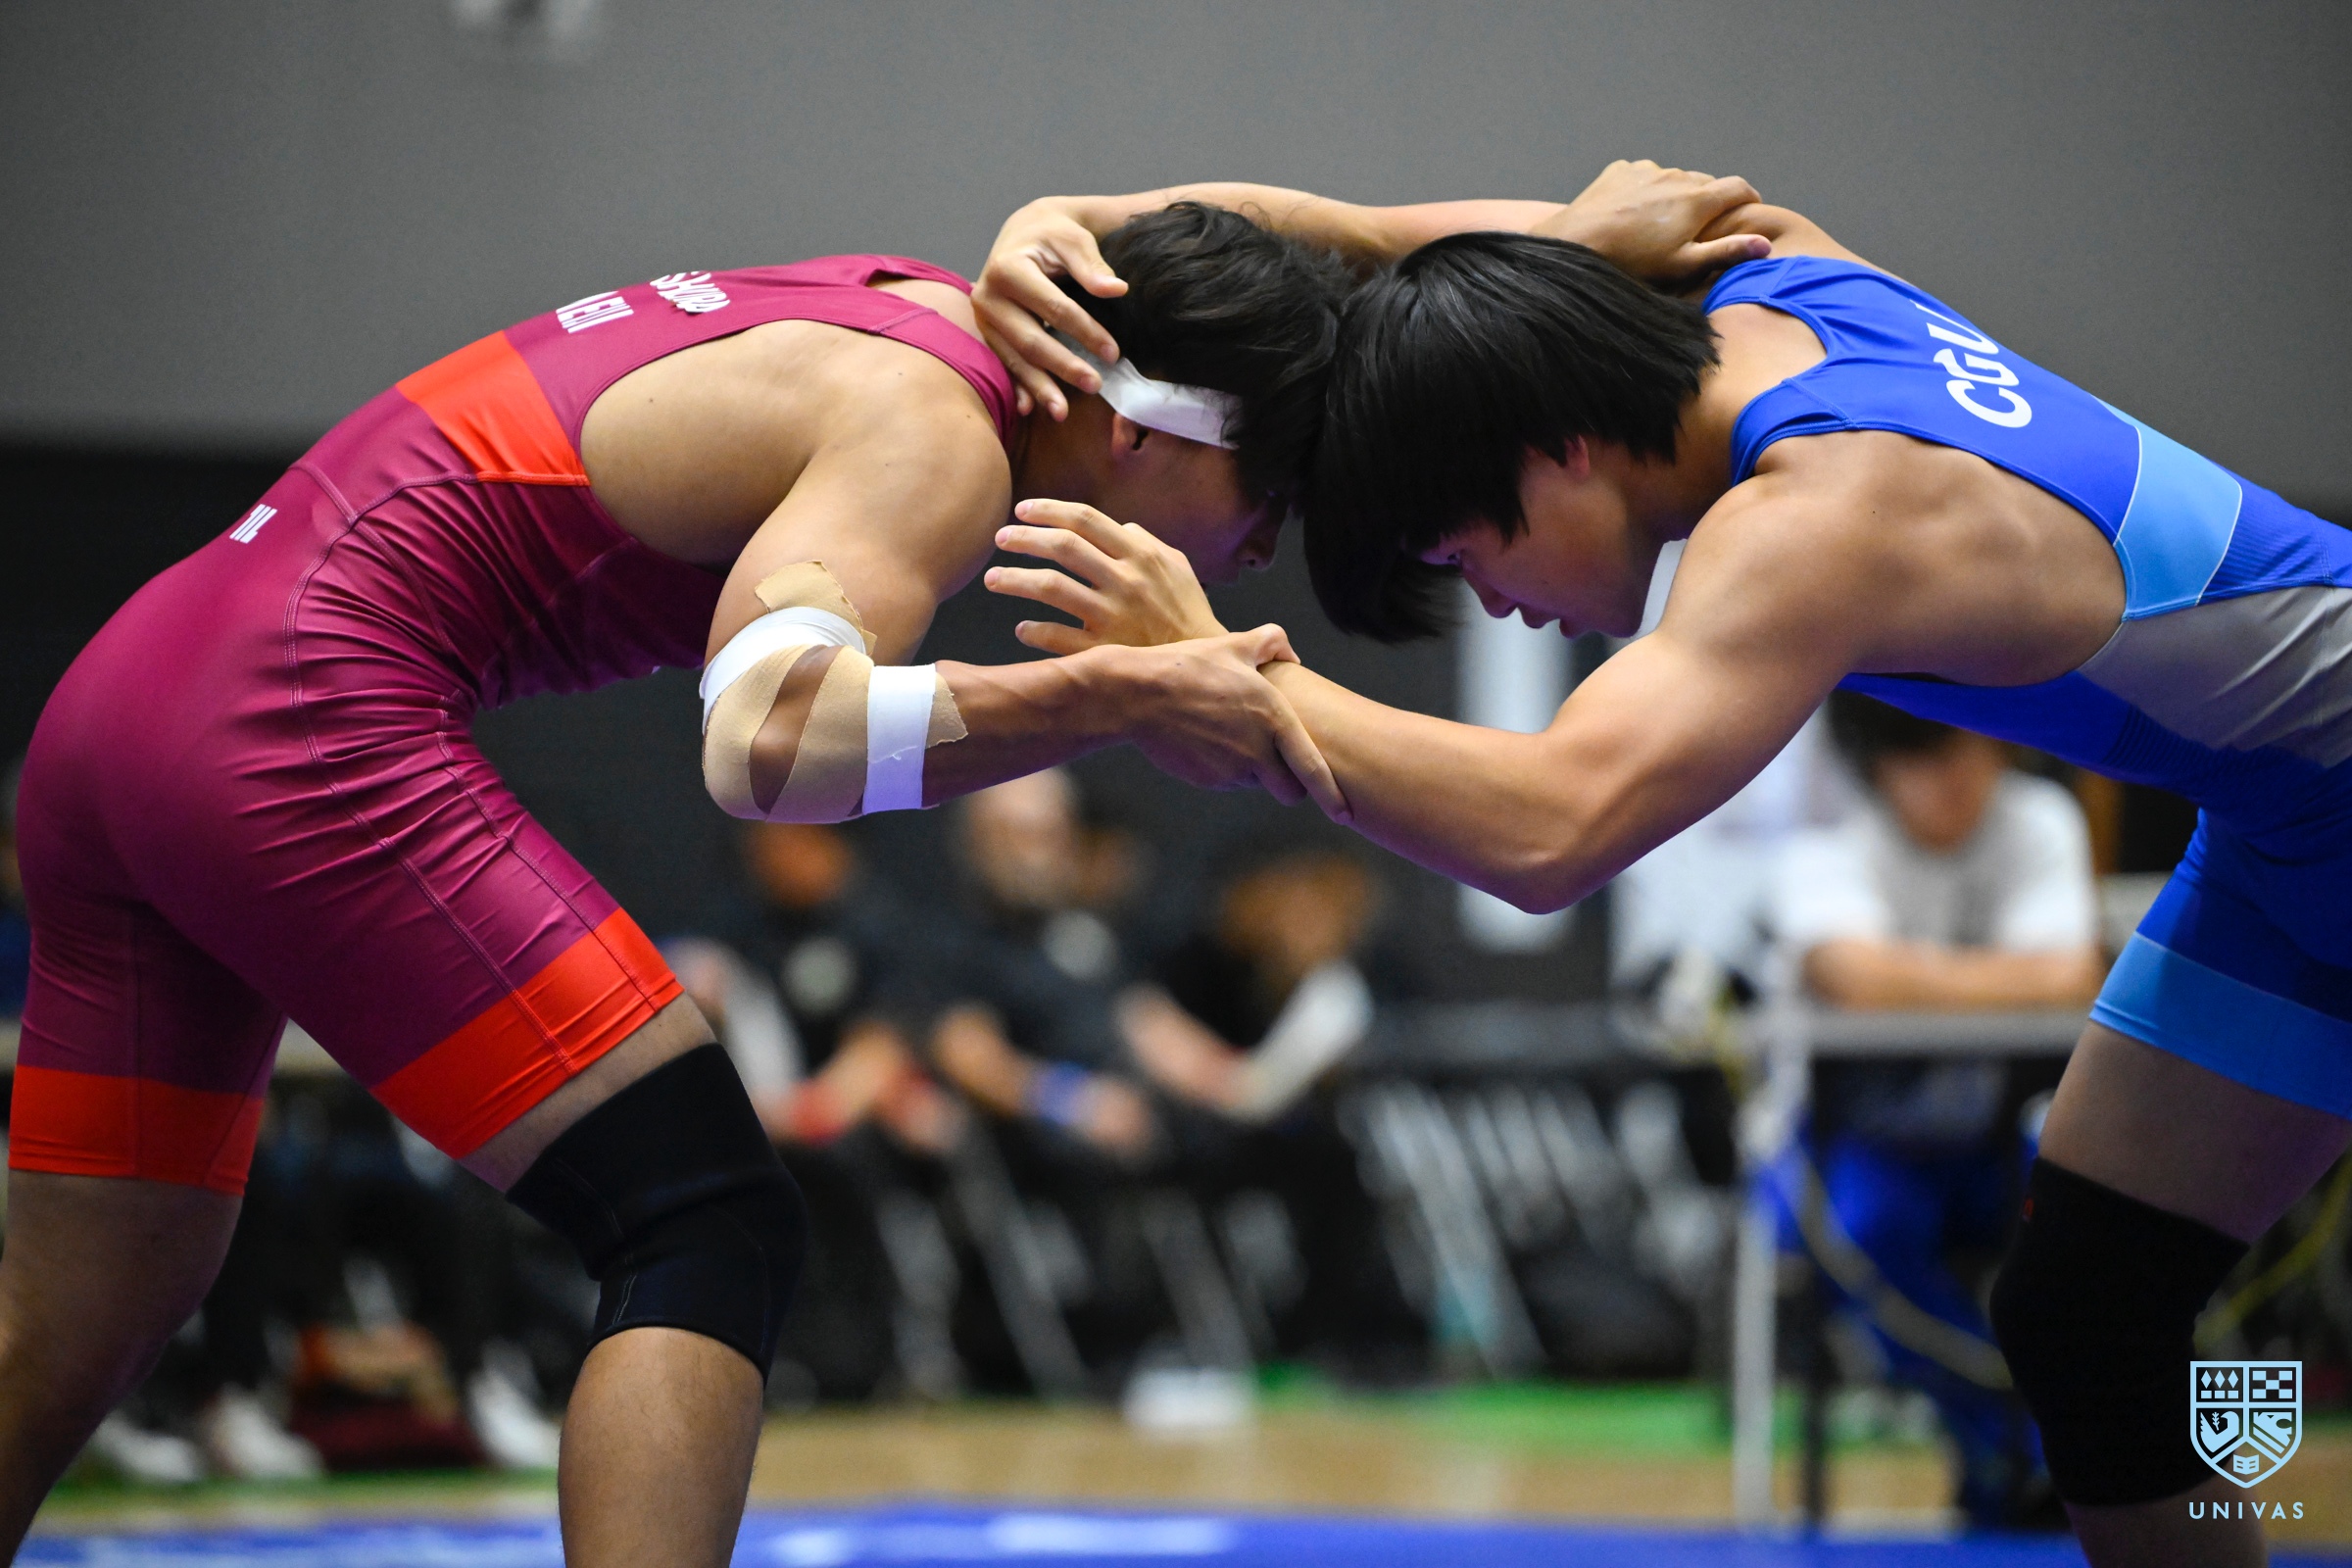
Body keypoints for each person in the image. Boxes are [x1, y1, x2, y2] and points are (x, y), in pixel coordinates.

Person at [0, 165, 1757, 1559]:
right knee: (699, 1219)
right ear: (1148, 431)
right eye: (1268, 508)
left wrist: (1565, 244)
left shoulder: (977, 304)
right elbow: (764, 742)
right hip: (295, 719)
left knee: (88, 1308)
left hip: (122, 702)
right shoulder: (936, 433)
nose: (1251, 556)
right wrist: (1110, 692)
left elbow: (1265, 238)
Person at [980, 180, 2352, 1566]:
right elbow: (1387, 240)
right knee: (2085, 1319)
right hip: (2288, 835)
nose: (1498, 601)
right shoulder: (1769, 278)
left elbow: (1552, 831)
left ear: (1561, 449)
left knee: (2096, 1317)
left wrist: (1224, 675)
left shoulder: (1823, 512)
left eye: (1469, 551)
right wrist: (1075, 217)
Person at [1767, 691, 2104, 1526]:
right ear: (1877, 764)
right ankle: (2014, 1442)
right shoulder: (1829, 839)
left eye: (1967, 746)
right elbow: (1852, 978)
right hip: (1857, 1146)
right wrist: (2012, 979)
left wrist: (1904, 975)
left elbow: (2073, 977)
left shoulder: (2041, 820)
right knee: (1857, 1232)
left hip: (1998, 1140)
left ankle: (2065, 1446)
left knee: (2102, 1208)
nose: (1951, 777)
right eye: (1921, 757)